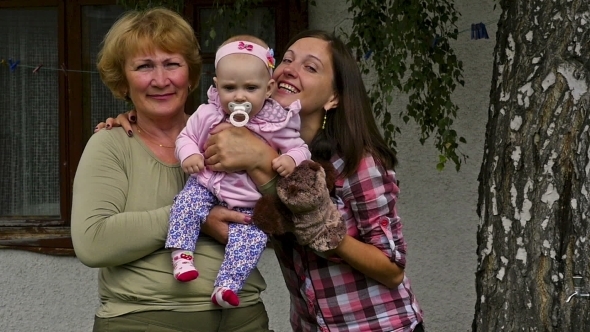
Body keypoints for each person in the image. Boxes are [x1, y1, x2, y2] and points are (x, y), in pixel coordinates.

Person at [98, 29, 425, 332]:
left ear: (334, 98)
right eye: (286, 59)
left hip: (379, 324)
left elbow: (392, 270)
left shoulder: (358, 162)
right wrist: (134, 119)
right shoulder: (260, 136)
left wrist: (261, 162)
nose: (290, 69)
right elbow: (193, 126)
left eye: (310, 68)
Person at [71, 8, 272, 332]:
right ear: (123, 80)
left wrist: (262, 158)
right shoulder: (111, 144)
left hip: (243, 316)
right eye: (144, 66)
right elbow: (93, 241)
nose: (161, 80)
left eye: (172, 64)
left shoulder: (230, 136)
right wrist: (197, 216)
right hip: (146, 320)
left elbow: (284, 214)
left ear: (191, 76)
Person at [167, 34, 310, 309]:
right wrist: (190, 155)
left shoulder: (277, 123)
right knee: (185, 203)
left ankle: (228, 286)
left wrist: (291, 159)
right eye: (230, 88)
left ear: (268, 89)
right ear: (217, 86)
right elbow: (185, 138)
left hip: (247, 200)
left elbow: (301, 148)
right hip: (208, 184)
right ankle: (182, 253)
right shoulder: (207, 114)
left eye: (251, 88)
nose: (239, 96)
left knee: (253, 238)